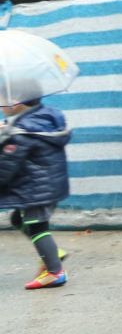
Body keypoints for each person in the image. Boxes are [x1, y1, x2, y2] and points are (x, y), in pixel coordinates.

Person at [1, 97, 71, 289]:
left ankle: (55, 272)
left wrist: (8, 134)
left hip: (36, 189)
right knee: (18, 220)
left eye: (1, 103)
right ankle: (53, 253)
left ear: (16, 103)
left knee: (37, 227)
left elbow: (6, 166)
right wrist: (7, 127)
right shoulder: (41, 119)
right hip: (48, 185)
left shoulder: (21, 134)